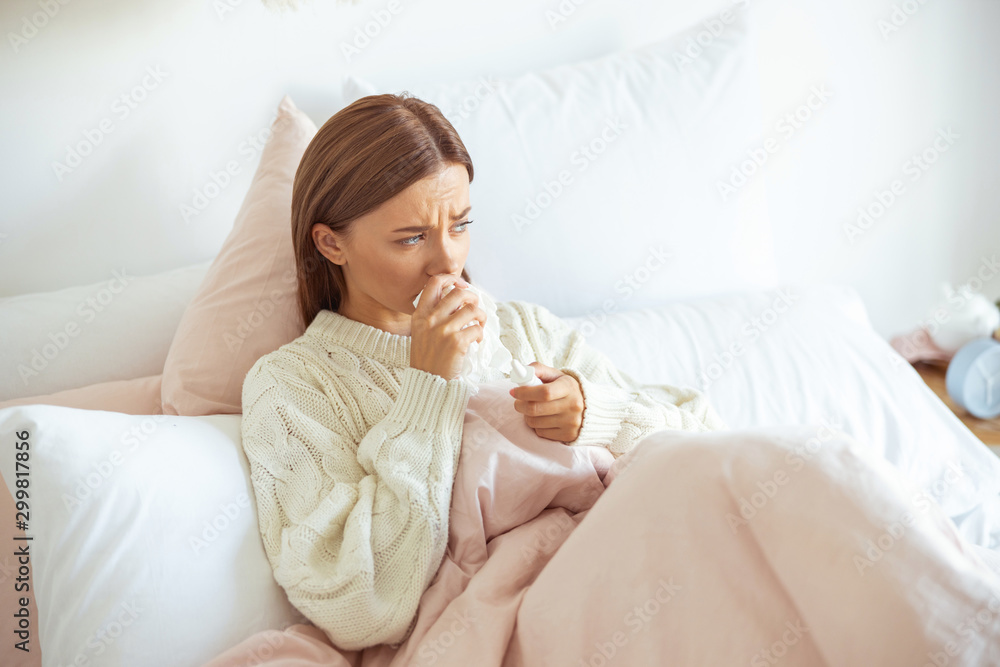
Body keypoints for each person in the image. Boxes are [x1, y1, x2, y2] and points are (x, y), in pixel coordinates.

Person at [238, 92, 729, 652]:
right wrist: (429, 390)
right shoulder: (294, 386)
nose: (448, 260)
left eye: (461, 224)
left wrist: (597, 416)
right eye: (412, 237)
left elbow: (709, 444)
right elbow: (361, 608)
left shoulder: (524, 330)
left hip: (645, 565)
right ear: (331, 243)